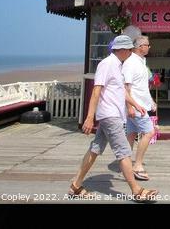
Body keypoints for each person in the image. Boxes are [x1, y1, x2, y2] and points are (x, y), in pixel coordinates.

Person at [68, 34, 159, 202]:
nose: (132, 53)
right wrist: (89, 117)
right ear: (123, 50)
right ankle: (137, 191)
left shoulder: (118, 65)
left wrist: (135, 104)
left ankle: (76, 185)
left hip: (113, 114)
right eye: (130, 50)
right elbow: (96, 91)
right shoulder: (107, 64)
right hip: (110, 116)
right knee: (124, 152)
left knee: (95, 149)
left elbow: (121, 90)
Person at [122, 35, 157, 181]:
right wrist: (130, 107)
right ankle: (137, 165)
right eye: (147, 45)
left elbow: (142, 87)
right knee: (149, 132)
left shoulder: (141, 62)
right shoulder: (130, 63)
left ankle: (125, 164)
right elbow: (126, 87)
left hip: (141, 105)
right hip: (136, 107)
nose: (149, 47)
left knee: (131, 134)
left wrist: (151, 101)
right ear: (140, 47)